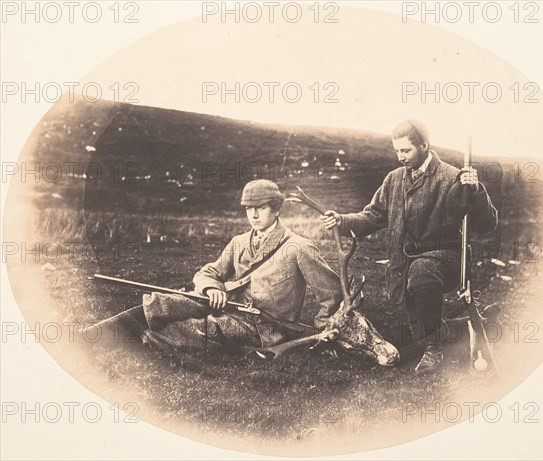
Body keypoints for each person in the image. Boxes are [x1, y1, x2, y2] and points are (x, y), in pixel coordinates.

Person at [321, 120, 498, 374]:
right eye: (397, 151)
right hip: (405, 263)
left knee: (422, 274)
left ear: (424, 145)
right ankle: (458, 326)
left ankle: (434, 349)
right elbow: (373, 216)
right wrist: (343, 220)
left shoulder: (451, 177)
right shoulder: (394, 179)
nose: (400, 157)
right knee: (412, 334)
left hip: (446, 259)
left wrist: (477, 190)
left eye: (406, 150)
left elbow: (486, 223)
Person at [139, 179, 343, 351]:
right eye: (249, 209)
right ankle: (125, 326)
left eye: (261, 208)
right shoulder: (239, 241)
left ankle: (137, 337)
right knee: (161, 304)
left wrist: (321, 331)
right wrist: (212, 289)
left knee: (179, 331)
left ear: (277, 209)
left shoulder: (299, 247)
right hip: (227, 306)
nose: (253, 215)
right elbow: (208, 272)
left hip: (264, 328)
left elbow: (332, 293)